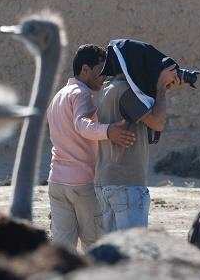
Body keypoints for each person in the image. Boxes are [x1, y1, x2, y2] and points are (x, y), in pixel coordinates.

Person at [47, 44, 136, 251]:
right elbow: (81, 124)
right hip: (83, 183)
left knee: (62, 250)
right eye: (100, 71)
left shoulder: (59, 96)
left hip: (57, 182)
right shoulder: (81, 93)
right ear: (85, 69)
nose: (104, 77)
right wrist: (108, 131)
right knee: (94, 246)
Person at [94, 61, 181, 233]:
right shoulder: (125, 90)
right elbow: (157, 123)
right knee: (132, 253)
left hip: (105, 182)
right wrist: (161, 89)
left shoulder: (106, 89)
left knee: (111, 255)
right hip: (126, 184)